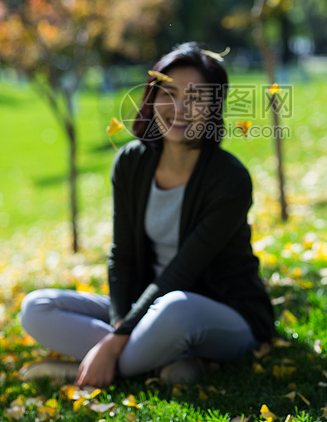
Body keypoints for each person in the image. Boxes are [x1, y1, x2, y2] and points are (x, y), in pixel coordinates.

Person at [20, 42, 275, 388]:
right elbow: (121, 256)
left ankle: (95, 369)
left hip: (222, 314)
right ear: (152, 98)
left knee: (176, 308)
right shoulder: (131, 162)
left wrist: (114, 341)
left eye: (196, 98)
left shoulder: (229, 179)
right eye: (168, 93)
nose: (180, 108)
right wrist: (121, 320)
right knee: (37, 306)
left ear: (214, 107)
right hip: (147, 311)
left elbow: (183, 271)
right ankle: (169, 363)